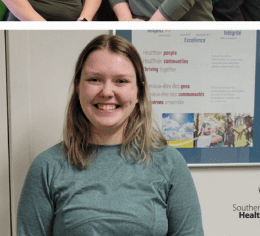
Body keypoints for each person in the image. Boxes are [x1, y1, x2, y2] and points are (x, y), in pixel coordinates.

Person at [17, 34, 204, 235]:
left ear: (139, 92)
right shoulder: (47, 167)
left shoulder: (170, 163)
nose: (107, 91)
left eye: (121, 81)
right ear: (78, 87)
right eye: (94, 79)